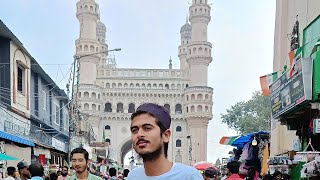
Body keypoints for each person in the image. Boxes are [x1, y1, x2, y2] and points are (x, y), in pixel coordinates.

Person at [127, 103, 203, 179]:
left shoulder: (189, 176)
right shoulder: (133, 176)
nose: (139, 134)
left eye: (147, 128)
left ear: (166, 135)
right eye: (134, 130)